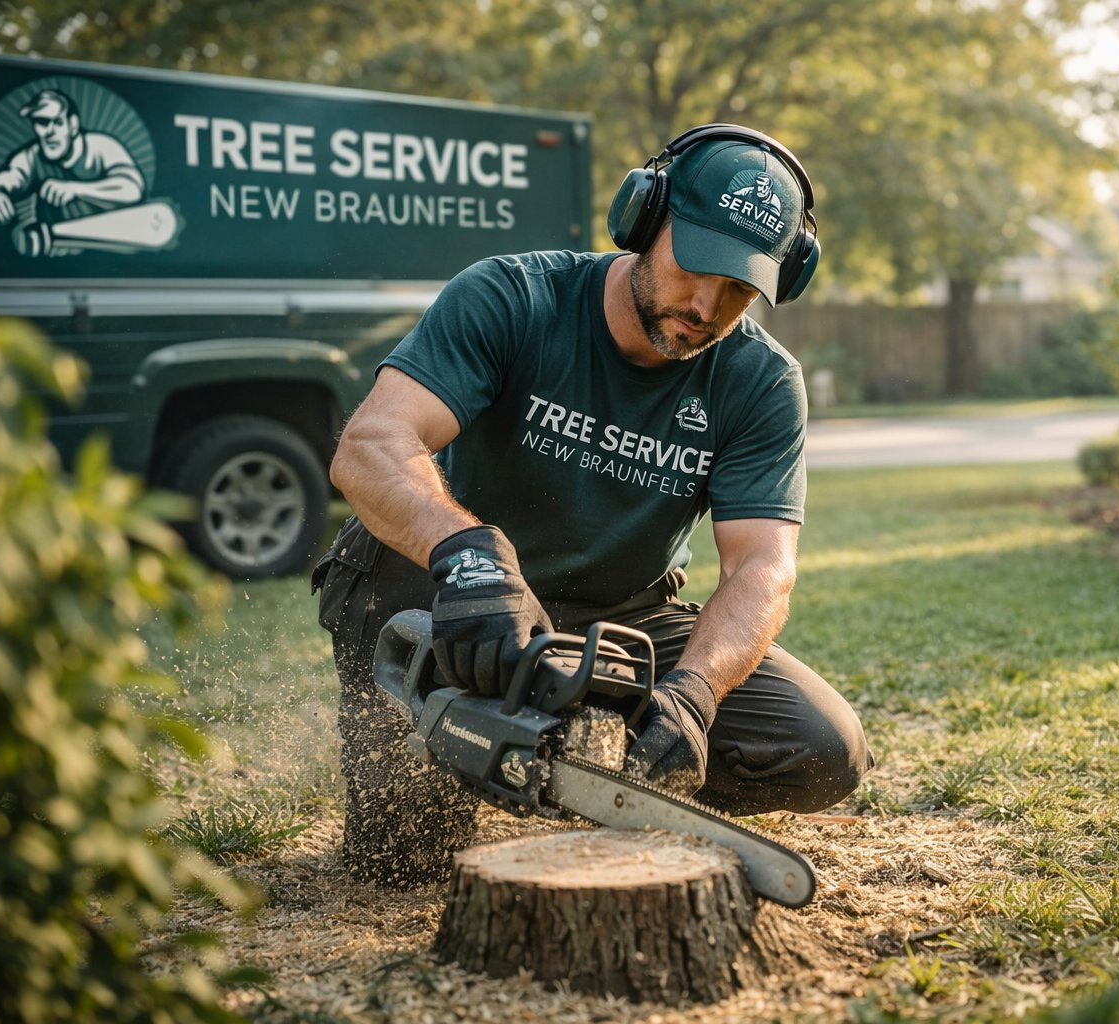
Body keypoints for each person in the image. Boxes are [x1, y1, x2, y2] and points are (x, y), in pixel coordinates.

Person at [314, 123, 873, 887]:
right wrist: (472, 554)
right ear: (645, 219)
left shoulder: (760, 380)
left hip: (620, 616)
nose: (708, 305)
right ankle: (482, 759)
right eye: (696, 265)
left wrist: (695, 693)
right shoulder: (514, 296)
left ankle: (584, 778)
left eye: (742, 288)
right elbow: (371, 446)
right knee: (404, 865)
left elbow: (761, 567)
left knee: (820, 748)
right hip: (452, 594)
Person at [0, 89, 145, 230]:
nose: (49, 132)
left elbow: (132, 188)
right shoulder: (32, 156)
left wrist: (75, 189)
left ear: (73, 125)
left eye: (57, 122)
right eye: (42, 122)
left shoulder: (101, 147)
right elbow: (10, 176)